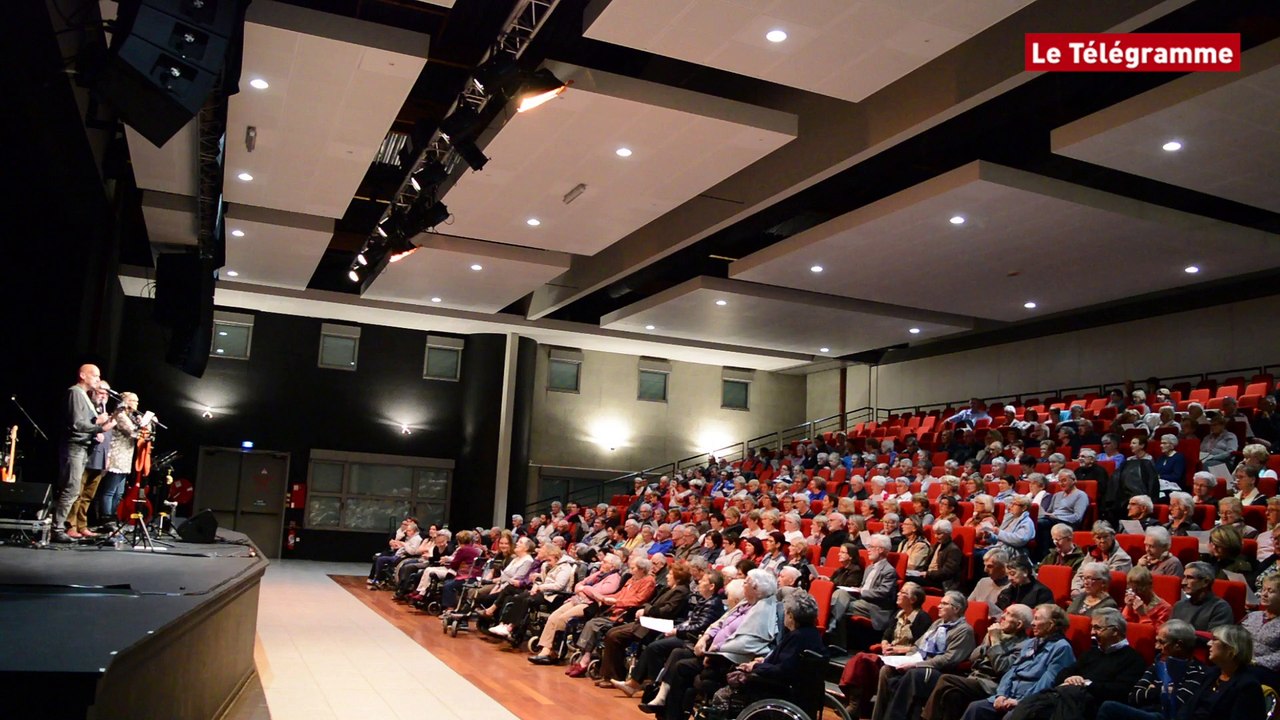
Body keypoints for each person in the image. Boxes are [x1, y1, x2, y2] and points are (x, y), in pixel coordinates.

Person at [998, 608, 1145, 720]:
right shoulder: (1092, 653)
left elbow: (1121, 690)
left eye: (1098, 628)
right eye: (1092, 628)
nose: (1092, 633)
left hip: (1091, 704)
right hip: (1064, 695)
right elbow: (1063, 674)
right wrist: (1070, 678)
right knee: (1026, 707)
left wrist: (1086, 683)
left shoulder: (1133, 659)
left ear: (1115, 631)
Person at [902, 604, 1031, 720]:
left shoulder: (1023, 645)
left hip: (990, 684)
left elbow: (1002, 668)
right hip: (973, 678)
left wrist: (995, 642)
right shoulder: (994, 633)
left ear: (1019, 624)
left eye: (1009, 615)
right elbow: (972, 657)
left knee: (946, 679)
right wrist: (988, 644)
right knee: (952, 695)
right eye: (1004, 612)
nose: (1002, 616)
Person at [610, 570, 726, 697]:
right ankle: (640, 683)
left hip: (691, 639)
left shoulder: (713, 603)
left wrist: (677, 630)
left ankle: (649, 686)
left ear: (711, 586)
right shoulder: (706, 600)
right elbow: (691, 621)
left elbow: (700, 626)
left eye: (703, 580)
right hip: (685, 633)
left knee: (655, 647)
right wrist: (678, 627)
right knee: (654, 643)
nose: (699, 582)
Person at [708, 592, 825, 715]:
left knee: (721, 696)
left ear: (790, 616)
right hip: (803, 692)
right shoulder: (812, 634)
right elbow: (789, 663)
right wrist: (763, 662)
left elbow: (782, 671)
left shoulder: (796, 637)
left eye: (785, 613)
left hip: (780, 690)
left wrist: (755, 666)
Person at [867, 591, 978, 720]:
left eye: (944, 604)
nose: (939, 606)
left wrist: (915, 664)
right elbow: (918, 646)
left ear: (956, 609)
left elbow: (948, 659)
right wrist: (902, 656)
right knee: (887, 670)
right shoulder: (938, 623)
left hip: (941, 671)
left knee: (914, 674)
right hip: (921, 662)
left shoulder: (964, 630)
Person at [958, 603, 1075, 720]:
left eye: (1037, 619)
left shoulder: (1062, 648)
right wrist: (1001, 694)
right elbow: (1012, 671)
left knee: (1011, 716)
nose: (1033, 623)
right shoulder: (1031, 643)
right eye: (1033, 618)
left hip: (1032, 702)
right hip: (1009, 695)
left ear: (1051, 625)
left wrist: (1020, 701)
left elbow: (1048, 682)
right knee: (976, 708)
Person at [837, 582, 934, 716]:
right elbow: (886, 635)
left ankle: (859, 707)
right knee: (860, 660)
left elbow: (920, 648)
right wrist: (884, 644)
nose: (898, 594)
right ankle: (854, 703)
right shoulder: (899, 613)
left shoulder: (922, 618)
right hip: (889, 656)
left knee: (864, 661)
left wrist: (897, 650)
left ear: (913, 599)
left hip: (904, 661)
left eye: (903, 593)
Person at [564, 554, 657, 678]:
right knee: (592, 620)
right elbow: (620, 594)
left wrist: (616, 602)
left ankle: (584, 659)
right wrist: (608, 598)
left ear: (641, 569)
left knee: (593, 624)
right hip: (615, 609)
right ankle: (584, 656)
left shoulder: (648, 581)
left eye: (633, 568)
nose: (631, 571)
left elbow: (638, 600)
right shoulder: (632, 579)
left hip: (627, 613)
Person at [1094, 619, 1207, 720]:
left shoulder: (1197, 671)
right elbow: (1133, 696)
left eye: (1161, 642)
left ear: (1178, 645)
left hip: (1163, 716)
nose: (1156, 647)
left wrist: (1151, 690)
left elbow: (1175, 705)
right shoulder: (1158, 663)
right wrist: (1161, 690)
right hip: (1143, 712)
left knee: (1109, 708)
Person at [528, 553, 625, 664]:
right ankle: (545, 650)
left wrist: (585, 589)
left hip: (590, 605)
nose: (602, 563)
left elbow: (600, 593)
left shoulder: (615, 578)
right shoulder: (598, 574)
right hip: (577, 599)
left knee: (563, 618)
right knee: (553, 616)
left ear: (612, 566)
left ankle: (554, 651)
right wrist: (584, 589)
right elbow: (578, 585)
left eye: (605, 562)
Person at [53, 364, 112, 542]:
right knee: (71, 489)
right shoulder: (75, 393)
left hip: (82, 448)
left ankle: (60, 526)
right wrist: (99, 426)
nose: (97, 379)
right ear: (82, 375)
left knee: (74, 489)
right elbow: (77, 424)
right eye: (94, 375)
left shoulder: (84, 397)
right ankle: (58, 528)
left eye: (99, 376)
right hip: (74, 448)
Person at [1176, 624, 1265, 718]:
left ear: (1232, 649)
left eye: (1215, 640)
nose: (1208, 643)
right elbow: (1188, 708)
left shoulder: (1248, 686)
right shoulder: (1212, 673)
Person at [833, 535, 897, 637]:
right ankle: (835, 633)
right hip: (862, 601)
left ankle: (833, 631)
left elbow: (884, 592)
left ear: (880, 550)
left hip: (875, 607)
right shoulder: (869, 568)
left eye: (871, 547)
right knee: (840, 594)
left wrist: (861, 591)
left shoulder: (888, 570)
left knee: (841, 605)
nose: (868, 550)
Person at [70, 383, 113, 537]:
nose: (103, 396)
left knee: (88, 496)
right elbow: (80, 426)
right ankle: (71, 525)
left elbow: (109, 437)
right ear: (93, 393)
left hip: (100, 459)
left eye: (106, 394)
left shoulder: (105, 411)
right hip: (87, 456)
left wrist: (108, 457)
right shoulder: (89, 410)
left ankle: (82, 526)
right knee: (77, 493)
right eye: (100, 392)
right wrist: (98, 426)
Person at [99, 390, 142, 523]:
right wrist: (143, 424)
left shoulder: (130, 416)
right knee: (110, 491)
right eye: (134, 400)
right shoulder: (121, 415)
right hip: (117, 458)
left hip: (125, 459)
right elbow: (133, 432)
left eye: (137, 401)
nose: (137, 403)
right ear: (126, 402)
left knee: (119, 493)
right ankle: (107, 520)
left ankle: (113, 518)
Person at [1105, 438, 1159, 525]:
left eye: (1134, 443)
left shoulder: (1147, 461)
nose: (1130, 445)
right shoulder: (1129, 460)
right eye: (1131, 443)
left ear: (1142, 445)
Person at [1171, 562, 1234, 631]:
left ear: (1205, 582)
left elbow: (1215, 638)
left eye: (1190, 578)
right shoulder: (1179, 606)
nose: (1183, 582)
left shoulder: (1220, 608)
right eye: (1184, 577)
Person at [1241, 574, 1280, 676]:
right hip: (1238, 661)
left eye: (1270, 591)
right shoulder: (1252, 615)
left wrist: (1254, 661)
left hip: (1264, 670)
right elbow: (1234, 636)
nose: (1264, 594)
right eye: (1263, 590)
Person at [921, 519, 964, 591]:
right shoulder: (936, 545)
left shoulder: (953, 550)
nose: (935, 536)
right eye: (935, 533)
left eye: (939, 534)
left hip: (940, 582)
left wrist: (928, 574)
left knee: (910, 580)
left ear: (947, 533)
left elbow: (947, 572)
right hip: (929, 576)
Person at [1152, 434, 1187, 501]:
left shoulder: (1178, 457)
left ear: (1172, 445)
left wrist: (1160, 477)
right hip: (1160, 484)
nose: (1161, 445)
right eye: (1161, 443)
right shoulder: (1161, 457)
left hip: (1173, 487)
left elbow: (1176, 476)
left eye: (1164, 443)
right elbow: (1155, 472)